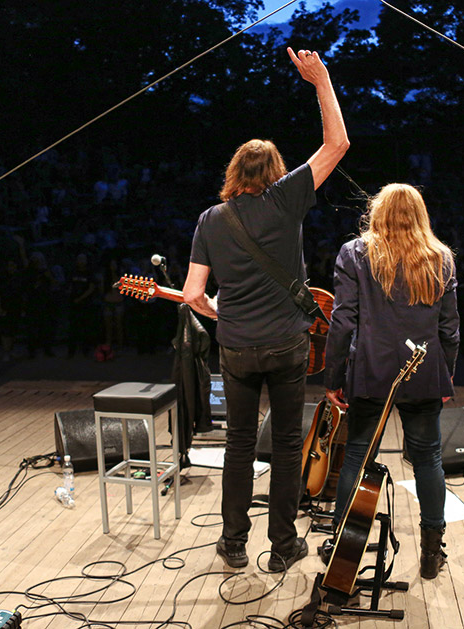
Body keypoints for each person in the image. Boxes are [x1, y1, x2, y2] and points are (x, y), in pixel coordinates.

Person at [183, 47, 348, 572]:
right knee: (284, 444)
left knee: (237, 443)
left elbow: (191, 295)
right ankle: (282, 547)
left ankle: (232, 544)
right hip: (286, 343)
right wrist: (320, 81)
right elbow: (337, 143)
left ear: (235, 173)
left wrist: (218, 314)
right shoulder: (287, 199)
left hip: (235, 347)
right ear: (276, 172)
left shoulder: (211, 219)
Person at [323, 183, 460, 580]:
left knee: (357, 457)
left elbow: (343, 320)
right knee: (428, 459)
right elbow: (449, 328)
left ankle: (342, 550)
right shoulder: (441, 258)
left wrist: (333, 376)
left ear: (377, 213)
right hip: (423, 368)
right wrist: (445, 372)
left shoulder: (355, 253)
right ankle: (432, 553)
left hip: (371, 369)